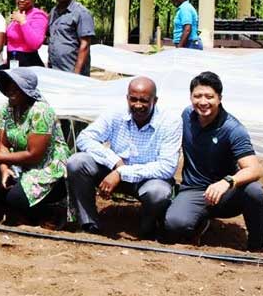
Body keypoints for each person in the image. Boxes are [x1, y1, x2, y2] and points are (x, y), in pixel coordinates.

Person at [162, 71, 263, 251]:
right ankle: (199, 221)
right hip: (194, 190)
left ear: (219, 98)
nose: (203, 102)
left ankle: (257, 246)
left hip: (226, 196)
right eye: (197, 96)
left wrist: (227, 182)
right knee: (174, 226)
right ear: (190, 97)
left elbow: (254, 169)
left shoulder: (233, 129)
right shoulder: (187, 116)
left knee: (254, 191)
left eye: (209, 96)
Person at [67, 76, 179, 238]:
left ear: (155, 100)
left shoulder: (170, 122)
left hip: (147, 179)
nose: (138, 105)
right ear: (127, 98)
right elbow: (84, 138)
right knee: (77, 162)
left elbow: (167, 167)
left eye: (144, 101)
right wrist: (115, 162)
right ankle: (89, 223)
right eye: (133, 99)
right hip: (113, 172)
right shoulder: (116, 113)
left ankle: (148, 228)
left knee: (158, 192)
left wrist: (122, 172)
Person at [0, 70, 70, 223]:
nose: (11, 92)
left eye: (16, 89)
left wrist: (0, 157)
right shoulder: (8, 109)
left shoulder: (40, 111)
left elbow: (35, 155)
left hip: (46, 166)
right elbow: (3, 144)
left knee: (16, 197)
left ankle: (48, 212)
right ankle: (13, 213)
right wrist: (4, 169)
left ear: (27, 91)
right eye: (9, 87)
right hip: (19, 164)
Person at [48, 0, 96, 76]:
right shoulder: (54, 11)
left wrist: (76, 74)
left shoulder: (81, 13)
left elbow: (85, 45)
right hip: (55, 70)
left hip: (72, 72)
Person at [6, 0, 49, 67]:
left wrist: (23, 22)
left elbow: (35, 44)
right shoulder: (18, 14)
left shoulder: (38, 15)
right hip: (13, 60)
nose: (21, 0)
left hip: (28, 63)